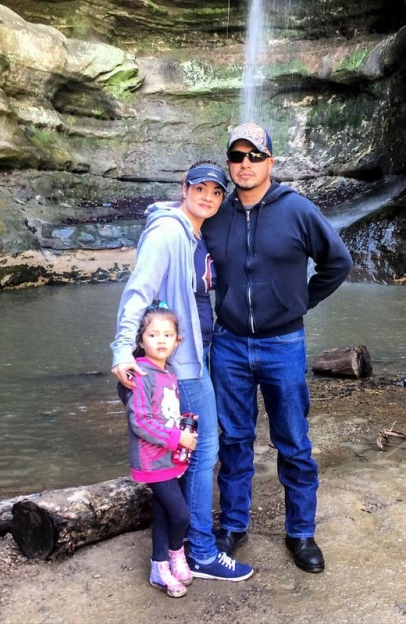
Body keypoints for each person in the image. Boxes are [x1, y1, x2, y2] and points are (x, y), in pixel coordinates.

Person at [202, 123, 353, 573]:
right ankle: (232, 525)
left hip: (282, 343)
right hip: (228, 344)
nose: (245, 164)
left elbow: (337, 262)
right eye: (237, 157)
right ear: (229, 164)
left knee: (293, 441)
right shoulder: (217, 215)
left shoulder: (298, 210)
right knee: (234, 440)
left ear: (270, 161)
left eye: (254, 156)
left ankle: (301, 533)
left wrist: (299, 302)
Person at [111, 162, 254, 583]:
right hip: (183, 367)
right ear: (183, 189)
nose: (207, 196)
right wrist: (122, 348)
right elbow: (138, 291)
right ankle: (202, 552)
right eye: (199, 188)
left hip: (198, 357)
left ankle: (177, 549)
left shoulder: (193, 233)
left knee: (188, 455)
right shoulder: (168, 232)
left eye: (215, 191)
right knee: (204, 451)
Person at [117, 302, 197, 598]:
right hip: (153, 461)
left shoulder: (169, 373)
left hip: (169, 458)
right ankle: (175, 556)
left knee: (164, 514)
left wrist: (183, 428)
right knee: (180, 514)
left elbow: (164, 413)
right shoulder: (141, 374)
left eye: (167, 334)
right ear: (140, 341)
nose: (161, 340)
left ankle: (160, 568)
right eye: (153, 335)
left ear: (178, 340)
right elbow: (139, 421)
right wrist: (178, 439)